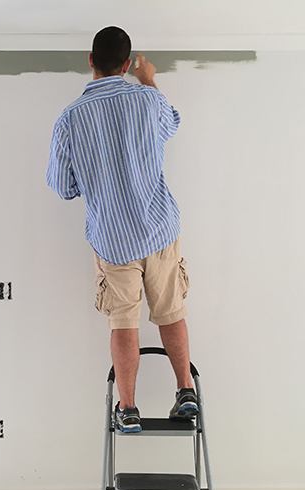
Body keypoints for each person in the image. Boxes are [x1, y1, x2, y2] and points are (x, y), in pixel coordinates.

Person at [46, 26, 197, 433]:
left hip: (113, 240)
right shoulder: (148, 100)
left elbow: (62, 187)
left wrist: (91, 182)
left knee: (123, 323)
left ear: (91, 61)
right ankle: (185, 390)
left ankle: (127, 409)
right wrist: (149, 81)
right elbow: (172, 125)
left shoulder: (70, 119)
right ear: (126, 65)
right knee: (171, 312)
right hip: (159, 229)